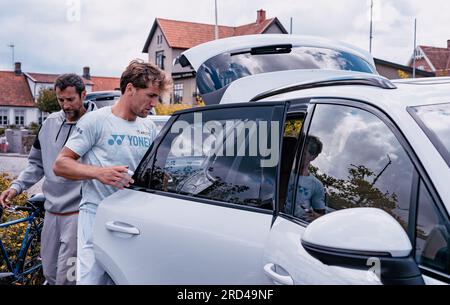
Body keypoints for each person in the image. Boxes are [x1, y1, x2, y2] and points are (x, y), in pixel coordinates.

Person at [53, 59, 172, 285]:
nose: (154, 103)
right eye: (150, 95)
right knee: (90, 281)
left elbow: (147, 171)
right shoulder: (96, 121)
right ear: (130, 89)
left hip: (131, 219)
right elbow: (61, 164)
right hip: (96, 215)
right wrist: (98, 172)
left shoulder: (147, 126)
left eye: (157, 97)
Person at [0, 74, 96, 285]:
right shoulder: (50, 122)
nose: (65, 105)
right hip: (52, 212)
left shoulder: (97, 124)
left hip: (79, 213)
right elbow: (36, 164)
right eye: (61, 100)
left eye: (70, 99)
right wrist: (16, 187)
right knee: (50, 272)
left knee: (68, 277)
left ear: (83, 95)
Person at [285, 135, 326, 221]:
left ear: (313, 157)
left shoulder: (316, 185)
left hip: (298, 225)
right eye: (298, 151)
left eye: (303, 153)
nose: (298, 155)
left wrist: (315, 216)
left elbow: (321, 217)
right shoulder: (283, 174)